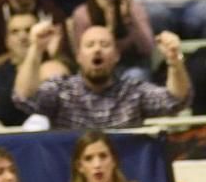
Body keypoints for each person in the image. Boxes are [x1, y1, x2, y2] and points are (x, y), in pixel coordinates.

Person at [14, 22, 190, 128]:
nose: (97, 49)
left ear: (116, 56)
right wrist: (36, 48)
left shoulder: (132, 91)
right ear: (79, 57)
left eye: (104, 44)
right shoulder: (61, 89)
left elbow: (175, 101)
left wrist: (174, 61)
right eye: (90, 45)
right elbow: (24, 97)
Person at [60, 131, 162, 182]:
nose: (97, 165)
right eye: (88, 158)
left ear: (114, 161)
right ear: (79, 166)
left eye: (103, 156)